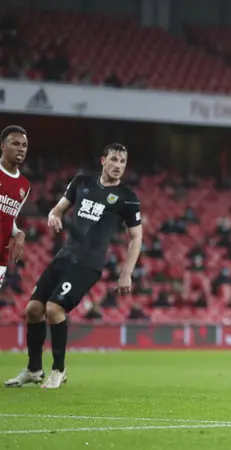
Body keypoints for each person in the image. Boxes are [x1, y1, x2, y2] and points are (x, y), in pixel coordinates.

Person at [4, 143, 142, 388]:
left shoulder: (128, 199)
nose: (118, 166)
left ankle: (59, 370)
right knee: (33, 309)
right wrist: (54, 216)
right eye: (114, 160)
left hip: (89, 263)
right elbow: (57, 210)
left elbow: (136, 237)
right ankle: (34, 370)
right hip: (65, 256)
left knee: (54, 308)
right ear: (103, 161)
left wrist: (126, 273)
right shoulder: (81, 183)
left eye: (123, 162)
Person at [0, 126, 30, 284]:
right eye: (15, 143)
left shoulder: (25, 185)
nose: (20, 149)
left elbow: (10, 219)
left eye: (24, 146)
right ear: (3, 146)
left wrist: (18, 233)